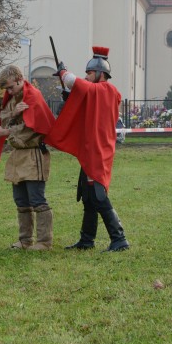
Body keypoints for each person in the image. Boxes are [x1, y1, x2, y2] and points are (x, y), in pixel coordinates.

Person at [45, 46, 130, 252]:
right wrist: (69, 95)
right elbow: (84, 103)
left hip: (98, 150)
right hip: (91, 148)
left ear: (101, 74)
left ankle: (119, 239)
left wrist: (64, 73)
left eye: (90, 72)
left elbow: (79, 85)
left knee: (99, 196)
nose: (86, 75)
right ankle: (87, 239)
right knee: (88, 196)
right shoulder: (98, 93)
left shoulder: (107, 90)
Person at [0, 65, 56, 250]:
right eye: (6, 90)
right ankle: (25, 240)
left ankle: (44, 241)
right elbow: (2, 117)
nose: (9, 92)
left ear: (20, 79)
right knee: (21, 200)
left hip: (33, 154)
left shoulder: (33, 96)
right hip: (17, 156)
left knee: (37, 200)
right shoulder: (12, 100)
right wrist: (13, 113)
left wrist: (6, 131)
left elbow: (31, 128)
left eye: (11, 87)